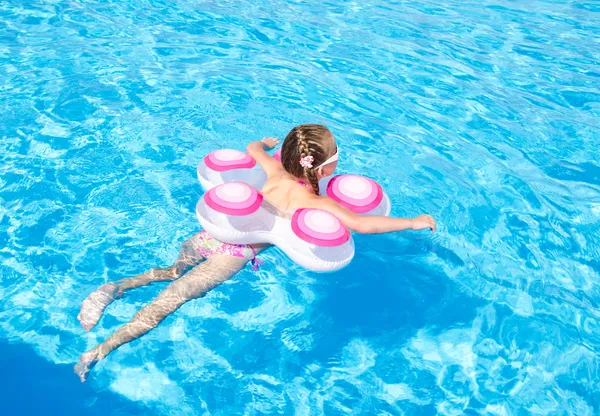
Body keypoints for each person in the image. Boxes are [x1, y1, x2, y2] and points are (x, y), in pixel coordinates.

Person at [75, 124, 436, 382]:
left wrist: (263, 142)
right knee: (170, 302)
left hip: (212, 233)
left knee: (170, 272)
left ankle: (113, 288)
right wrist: (414, 222)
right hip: (233, 252)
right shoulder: (315, 201)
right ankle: (99, 351)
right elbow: (364, 225)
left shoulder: (275, 171)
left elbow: (251, 149)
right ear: (325, 167)